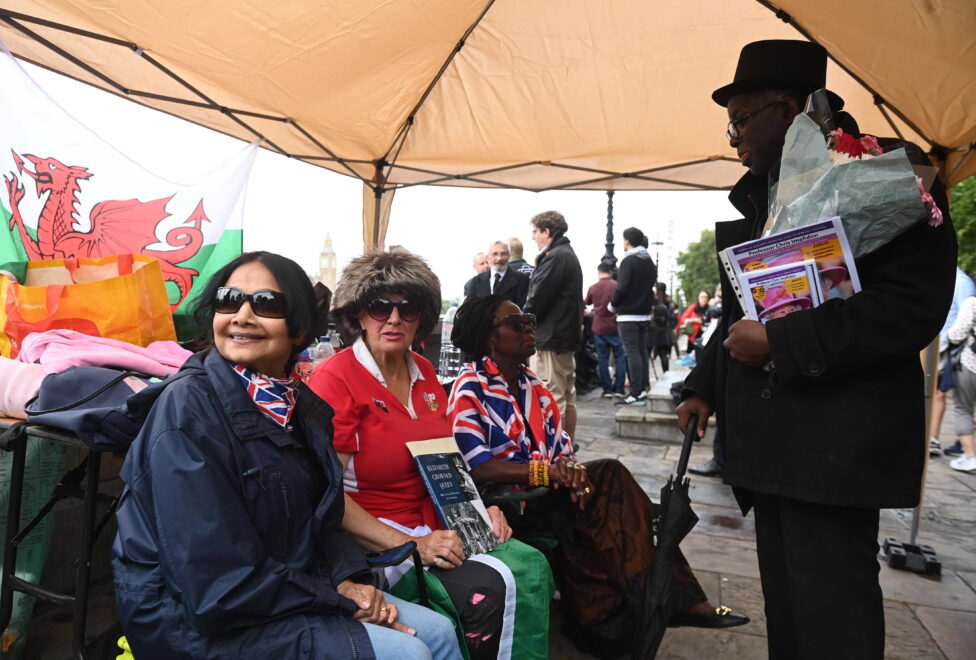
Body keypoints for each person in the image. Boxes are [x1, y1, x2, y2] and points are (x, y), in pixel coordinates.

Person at [677, 40, 955, 659]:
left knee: (832, 608)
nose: (732, 137)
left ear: (792, 109)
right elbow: (745, 307)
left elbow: (911, 306)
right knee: (788, 604)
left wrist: (782, 341)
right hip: (772, 444)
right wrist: (704, 383)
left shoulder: (884, 173)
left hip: (837, 444)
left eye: (741, 120)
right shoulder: (762, 191)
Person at [112, 251, 462, 660]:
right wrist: (339, 598)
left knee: (437, 632)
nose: (242, 316)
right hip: (195, 618)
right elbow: (215, 583)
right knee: (411, 653)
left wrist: (350, 579)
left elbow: (324, 515)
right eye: (229, 300)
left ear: (298, 329)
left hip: (278, 593)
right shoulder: (189, 412)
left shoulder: (294, 404)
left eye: (265, 304)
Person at [447, 295, 748, 656]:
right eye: (517, 324)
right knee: (611, 486)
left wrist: (572, 473)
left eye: (528, 320)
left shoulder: (533, 386)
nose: (529, 328)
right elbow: (475, 465)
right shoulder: (470, 387)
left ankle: (653, 605)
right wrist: (546, 472)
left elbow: (561, 448)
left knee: (609, 496)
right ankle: (671, 599)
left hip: (548, 496)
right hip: (508, 508)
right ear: (489, 338)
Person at [308, 248, 553, 660]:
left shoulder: (425, 373)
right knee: (485, 591)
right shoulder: (336, 379)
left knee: (533, 566)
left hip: (440, 524)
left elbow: (448, 467)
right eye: (378, 306)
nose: (393, 319)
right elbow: (327, 494)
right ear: (356, 314)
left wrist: (480, 509)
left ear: (423, 316)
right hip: (377, 542)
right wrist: (411, 544)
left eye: (409, 308)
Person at [523, 210, 583, 442]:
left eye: (535, 232)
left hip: (551, 337)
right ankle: (568, 445)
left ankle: (558, 450)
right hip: (563, 337)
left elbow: (537, 298)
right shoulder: (566, 253)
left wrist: (521, 321)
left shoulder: (556, 256)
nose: (533, 237)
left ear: (546, 231)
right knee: (567, 396)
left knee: (551, 394)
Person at [609, 227, 657, 405]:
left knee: (632, 353)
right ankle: (643, 388)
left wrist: (612, 305)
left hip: (628, 315)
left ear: (627, 240)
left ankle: (635, 392)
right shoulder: (649, 261)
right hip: (644, 314)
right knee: (642, 351)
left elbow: (622, 288)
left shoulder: (629, 261)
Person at [932, 267, 976, 456]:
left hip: (963, 357)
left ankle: (968, 453)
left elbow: (960, 329)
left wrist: (945, 341)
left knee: (957, 405)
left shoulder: (963, 287)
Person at [584, 262, 626, 397]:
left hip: (599, 327)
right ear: (611, 272)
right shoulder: (616, 286)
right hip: (615, 326)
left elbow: (587, 302)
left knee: (603, 359)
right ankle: (619, 389)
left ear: (599, 272)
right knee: (620, 357)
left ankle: (607, 390)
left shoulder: (593, 287)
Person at [946, 295, 976, 472]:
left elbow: (956, 335)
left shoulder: (973, 303)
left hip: (971, 365)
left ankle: (970, 456)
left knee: (962, 408)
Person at [467, 240, 530, 306]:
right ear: (488, 257)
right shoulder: (476, 282)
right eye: (495, 254)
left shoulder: (522, 280)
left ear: (509, 256)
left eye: (503, 254)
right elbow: (469, 308)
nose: (499, 258)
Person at [675, 290, 710, 364]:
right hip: (693, 336)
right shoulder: (693, 307)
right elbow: (683, 319)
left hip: (705, 336)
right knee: (693, 360)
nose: (704, 299)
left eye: (706, 297)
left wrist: (701, 322)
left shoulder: (710, 308)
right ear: (698, 298)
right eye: (702, 297)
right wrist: (693, 320)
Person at [649, 282, 675, 373]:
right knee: (664, 355)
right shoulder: (669, 301)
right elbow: (672, 317)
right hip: (666, 332)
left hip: (656, 331)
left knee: (657, 353)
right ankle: (666, 373)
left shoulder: (654, 301)